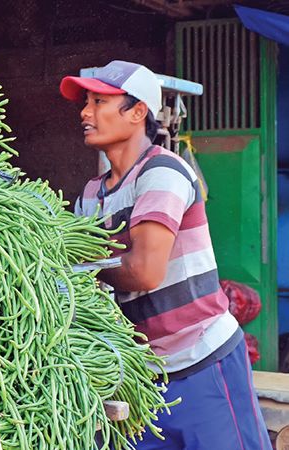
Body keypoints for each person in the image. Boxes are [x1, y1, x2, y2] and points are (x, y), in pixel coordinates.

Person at [60, 60, 272, 450]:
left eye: (99, 102)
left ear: (138, 111)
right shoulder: (90, 195)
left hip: (202, 362)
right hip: (145, 374)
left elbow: (144, 272)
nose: (85, 113)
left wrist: (83, 256)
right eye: (85, 103)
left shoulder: (162, 171)